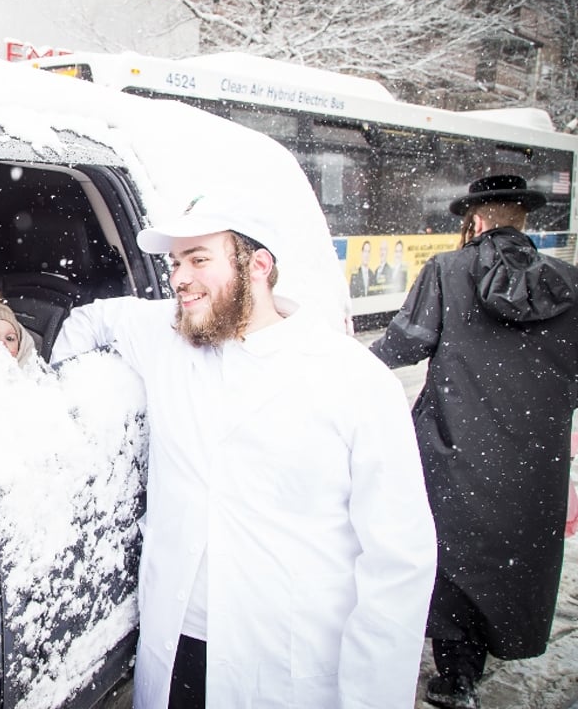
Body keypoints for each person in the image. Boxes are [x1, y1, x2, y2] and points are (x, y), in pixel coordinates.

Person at [50, 192, 436, 709]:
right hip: (178, 649)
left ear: (258, 264)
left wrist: (373, 699)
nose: (180, 277)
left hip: (287, 671)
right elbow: (89, 323)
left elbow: (399, 562)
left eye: (199, 259)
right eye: (175, 263)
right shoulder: (165, 337)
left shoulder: (354, 382)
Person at [370, 174, 578, 709]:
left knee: (453, 557)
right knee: (507, 557)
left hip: (454, 445)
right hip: (535, 458)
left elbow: (403, 345)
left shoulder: (448, 269)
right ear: (522, 221)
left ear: (478, 221)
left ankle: (456, 675)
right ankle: (490, 650)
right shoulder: (570, 282)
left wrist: (341, 362)